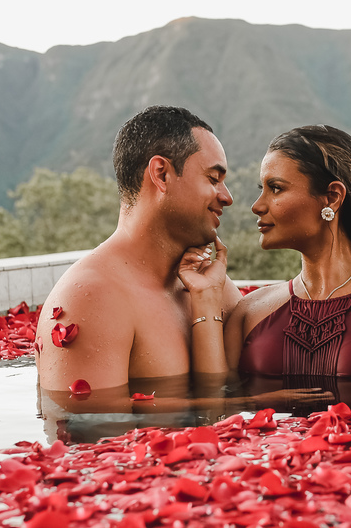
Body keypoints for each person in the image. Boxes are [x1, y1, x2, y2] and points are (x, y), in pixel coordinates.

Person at [179, 124, 351, 403]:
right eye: (261, 189)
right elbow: (212, 409)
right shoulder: (249, 312)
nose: (257, 205)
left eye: (275, 188)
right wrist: (204, 295)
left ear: (333, 197)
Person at [36, 105, 242, 402]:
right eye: (213, 178)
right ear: (161, 174)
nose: (227, 197)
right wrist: (255, 403)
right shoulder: (92, 297)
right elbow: (91, 440)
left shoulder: (210, 287)